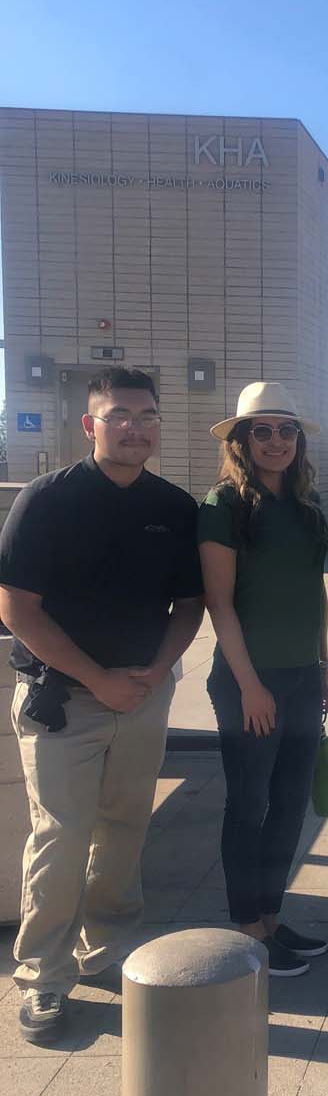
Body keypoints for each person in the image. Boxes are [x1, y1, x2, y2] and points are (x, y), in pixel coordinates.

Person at [0, 368, 205, 1043]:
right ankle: (43, 978)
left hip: (143, 693)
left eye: (147, 415)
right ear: (90, 425)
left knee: (124, 827)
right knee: (60, 837)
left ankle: (108, 949)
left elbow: (188, 604)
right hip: (64, 698)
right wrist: (99, 679)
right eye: (120, 414)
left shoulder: (173, 508)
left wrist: (156, 669)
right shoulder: (47, 501)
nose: (136, 427)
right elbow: (17, 609)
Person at [200, 382, 328, 979]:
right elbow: (220, 604)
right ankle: (247, 928)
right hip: (248, 683)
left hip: (304, 678)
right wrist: (251, 686)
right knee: (248, 805)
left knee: (289, 807)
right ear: (241, 439)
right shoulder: (222, 505)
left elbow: (314, 597)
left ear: (298, 440)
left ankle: (273, 918)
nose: (276, 440)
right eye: (262, 429)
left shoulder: (307, 511)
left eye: (286, 429)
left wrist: (323, 666)